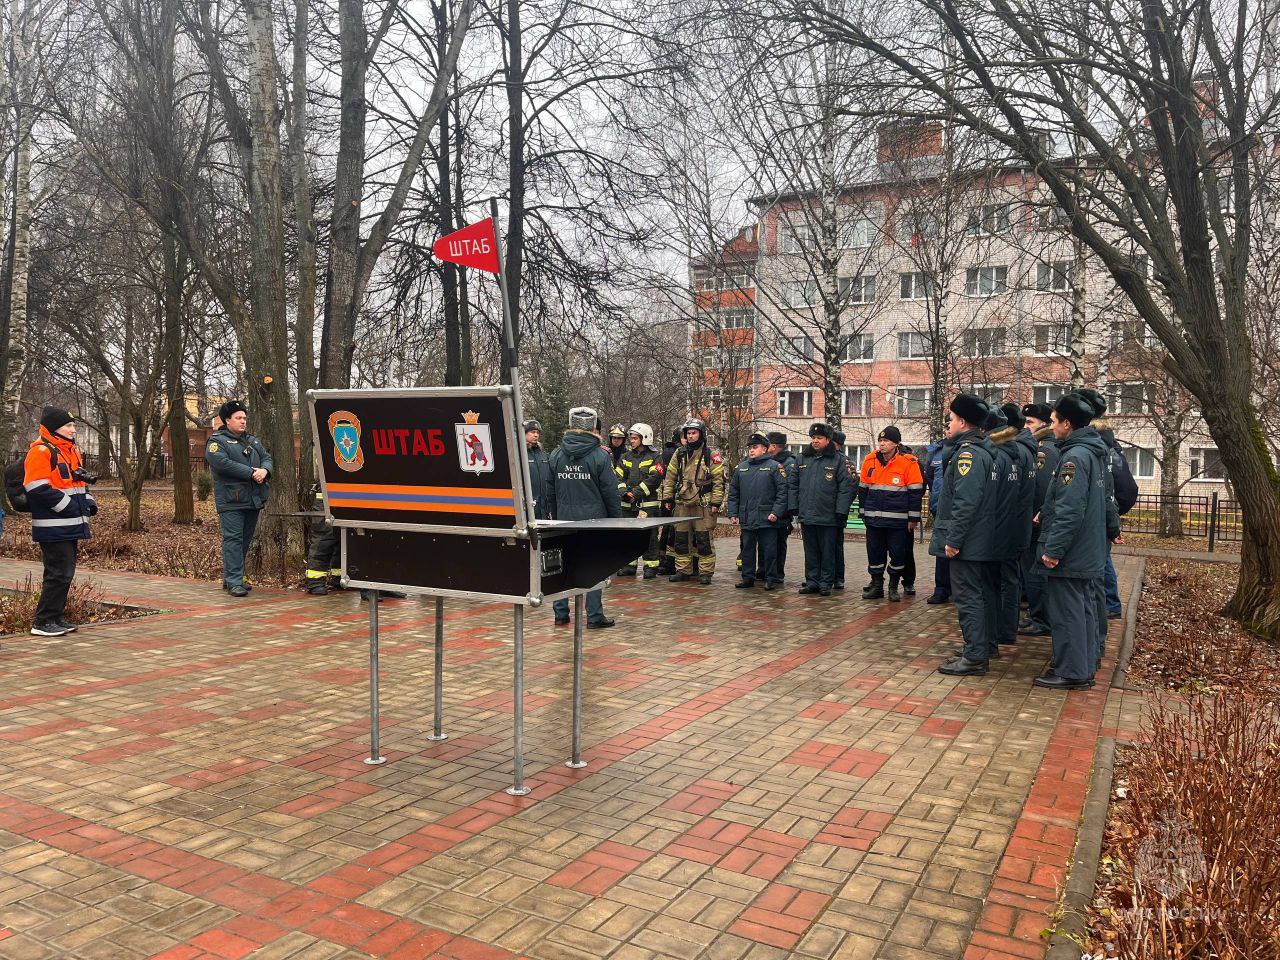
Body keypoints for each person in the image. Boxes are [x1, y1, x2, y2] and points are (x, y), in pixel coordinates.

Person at [1035, 391, 1117, 690]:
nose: (1051, 426)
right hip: (1088, 547)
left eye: (1054, 421)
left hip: (1073, 551)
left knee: (1067, 611)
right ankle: (1082, 665)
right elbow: (1106, 499)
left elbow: (1069, 510)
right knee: (1082, 609)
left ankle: (1071, 672)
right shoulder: (1093, 452)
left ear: (1068, 424)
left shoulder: (1075, 457)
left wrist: (1053, 550)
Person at [932, 394, 1002, 676]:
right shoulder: (984, 450)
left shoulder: (968, 454)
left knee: (969, 597)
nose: (948, 424)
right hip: (981, 539)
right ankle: (978, 647)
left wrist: (953, 540)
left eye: (950, 420)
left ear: (962, 421)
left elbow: (965, 502)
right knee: (978, 595)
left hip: (969, 542)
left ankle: (974, 656)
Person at [546, 406, 624, 628]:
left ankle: (561, 613)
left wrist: (553, 516)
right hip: (594, 522)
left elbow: (549, 490)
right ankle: (594, 616)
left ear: (571, 426)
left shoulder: (556, 454)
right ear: (593, 427)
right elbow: (611, 492)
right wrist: (616, 520)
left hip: (563, 520)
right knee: (593, 566)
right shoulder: (600, 456)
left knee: (563, 566)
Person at [23, 407, 97, 637]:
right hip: (53, 525)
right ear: (55, 428)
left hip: (69, 524)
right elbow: (36, 487)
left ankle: (55, 617)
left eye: (74, 426)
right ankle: (43, 622)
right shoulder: (41, 451)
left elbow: (77, 483)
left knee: (64, 573)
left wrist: (89, 502)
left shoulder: (70, 450)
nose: (74, 430)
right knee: (58, 573)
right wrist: (69, 507)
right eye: (69, 426)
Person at [206, 400, 272, 597]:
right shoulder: (217, 442)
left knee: (243, 540)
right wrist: (251, 472)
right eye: (238, 418)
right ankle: (235, 581)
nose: (243, 421)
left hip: (253, 499)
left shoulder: (253, 441)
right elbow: (222, 464)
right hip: (231, 500)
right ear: (227, 420)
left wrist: (265, 470)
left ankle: (232, 578)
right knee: (233, 540)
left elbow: (267, 457)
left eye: (244, 418)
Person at [987, 404, 1038, 646]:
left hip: (1008, 526)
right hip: (1018, 524)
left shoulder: (1013, 450)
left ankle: (1004, 630)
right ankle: (1006, 628)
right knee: (1011, 578)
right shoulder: (1026, 448)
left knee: (1006, 580)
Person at [857, 426, 924, 602]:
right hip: (874, 520)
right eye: (881, 441)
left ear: (896, 444)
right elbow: (862, 489)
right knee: (875, 554)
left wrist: (913, 518)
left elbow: (916, 492)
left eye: (886, 441)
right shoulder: (869, 460)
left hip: (897, 521)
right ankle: (877, 585)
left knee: (898, 554)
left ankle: (893, 587)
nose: (882, 444)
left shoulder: (909, 462)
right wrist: (863, 513)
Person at [792, 422, 854, 597]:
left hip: (829, 515)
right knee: (810, 550)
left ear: (828, 440)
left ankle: (826, 582)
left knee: (828, 551)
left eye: (819, 438)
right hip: (807, 514)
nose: (815, 441)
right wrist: (794, 507)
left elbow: (846, 488)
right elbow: (793, 484)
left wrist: (841, 511)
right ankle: (812, 581)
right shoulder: (802, 458)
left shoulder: (839, 460)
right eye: (813, 438)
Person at [661, 419, 725, 585]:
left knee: (704, 540)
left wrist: (716, 502)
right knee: (681, 539)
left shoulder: (711, 455)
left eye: (694, 432)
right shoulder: (680, 453)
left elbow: (719, 481)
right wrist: (667, 497)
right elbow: (670, 477)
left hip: (702, 505)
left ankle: (705, 572)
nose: (690, 436)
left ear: (701, 434)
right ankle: (683, 570)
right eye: (688, 433)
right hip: (682, 504)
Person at [1018, 403, 1060, 637]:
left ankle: (1041, 619)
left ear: (1044, 424)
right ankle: (1037, 614)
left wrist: (1035, 516)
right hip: (1035, 523)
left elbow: (1041, 489)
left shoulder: (1044, 451)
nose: (1025, 427)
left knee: (1036, 574)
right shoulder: (1040, 447)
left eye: (1030, 423)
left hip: (1037, 524)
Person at [728, 432, 789, 589]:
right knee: (747, 549)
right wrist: (733, 513)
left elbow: (782, 493)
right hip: (747, 516)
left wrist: (776, 512)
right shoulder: (741, 468)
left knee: (769, 550)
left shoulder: (775, 467)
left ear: (765, 449)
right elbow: (733, 493)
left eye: (755, 447)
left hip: (767, 517)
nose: (751, 450)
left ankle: (770, 578)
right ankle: (747, 578)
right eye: (749, 447)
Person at [1096, 422, 1138, 619]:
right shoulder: (1113, 451)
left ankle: (1111, 604)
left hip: (1104, 512)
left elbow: (1126, 489)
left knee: (1103, 560)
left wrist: (1114, 513)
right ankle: (1110, 604)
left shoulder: (1106, 453)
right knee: (1104, 559)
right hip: (1108, 511)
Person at [615, 423, 663, 578]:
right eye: (631, 438)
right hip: (627, 505)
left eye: (635, 438)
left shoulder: (655, 457)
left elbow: (654, 479)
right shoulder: (625, 457)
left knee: (649, 536)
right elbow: (618, 477)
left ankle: (651, 566)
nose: (631, 441)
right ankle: (630, 565)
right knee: (629, 535)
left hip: (647, 505)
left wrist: (635, 493)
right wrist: (624, 493)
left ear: (645, 439)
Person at [922, 433, 956, 604]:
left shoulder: (968, 449)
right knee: (941, 551)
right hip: (939, 508)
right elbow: (929, 476)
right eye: (946, 426)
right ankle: (941, 589)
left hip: (958, 508)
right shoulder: (936, 451)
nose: (948, 429)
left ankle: (958, 589)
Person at [767, 432, 797, 586]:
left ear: (773, 446)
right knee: (769, 544)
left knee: (778, 544)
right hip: (770, 509)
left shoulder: (788, 463)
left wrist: (784, 512)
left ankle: (778, 573)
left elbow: (788, 489)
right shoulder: (769, 461)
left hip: (781, 512)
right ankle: (767, 571)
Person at [303, 482, 342, 594]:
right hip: (325, 500)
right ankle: (315, 582)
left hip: (348, 496)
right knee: (323, 541)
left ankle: (339, 578)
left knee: (344, 540)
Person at [831, 430, 857, 590]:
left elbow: (852, 486)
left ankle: (838, 577)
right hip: (822, 510)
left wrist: (841, 507)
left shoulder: (844, 461)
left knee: (835, 546)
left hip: (837, 512)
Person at [655, 428, 683, 575]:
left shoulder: (667, 452)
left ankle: (664, 561)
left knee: (668, 529)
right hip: (671, 498)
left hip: (668, 497)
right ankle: (667, 563)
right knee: (670, 531)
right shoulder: (674, 453)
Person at [897, 443, 919, 596]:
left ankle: (908, 581)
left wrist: (912, 516)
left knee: (906, 551)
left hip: (904, 516)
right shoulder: (879, 458)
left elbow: (918, 488)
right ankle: (878, 580)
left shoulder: (911, 461)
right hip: (886, 515)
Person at [525, 419, 552, 521]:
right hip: (529, 510)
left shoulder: (543, 455)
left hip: (544, 509)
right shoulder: (520, 455)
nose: (536, 435)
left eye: (537, 433)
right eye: (532, 432)